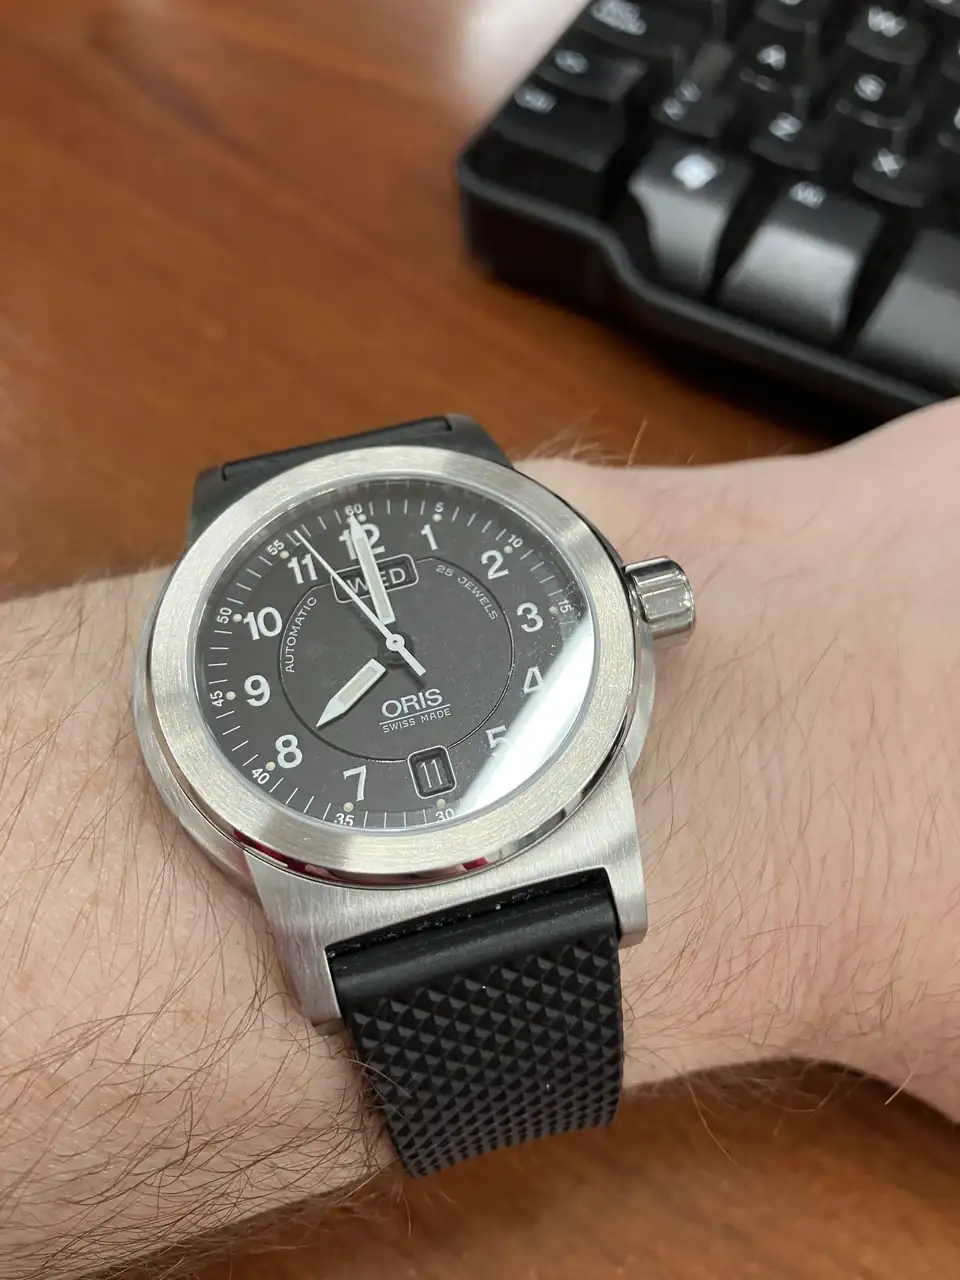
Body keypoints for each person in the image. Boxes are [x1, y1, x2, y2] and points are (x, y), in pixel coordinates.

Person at [2, 399, 959, 1279]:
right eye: (390, 651)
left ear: (644, 603)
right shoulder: (245, 773)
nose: (397, 654)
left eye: (399, 649)